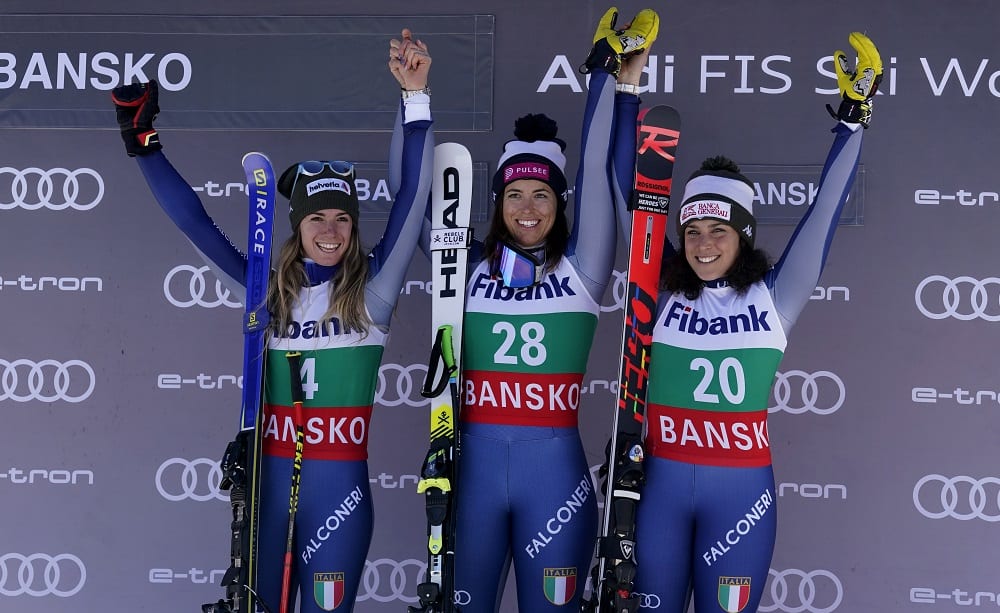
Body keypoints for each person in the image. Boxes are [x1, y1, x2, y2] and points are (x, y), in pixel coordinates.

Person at [111, 29, 434, 613]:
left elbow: (413, 197)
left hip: (339, 495)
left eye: (342, 218)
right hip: (267, 485)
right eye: (317, 218)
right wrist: (144, 145)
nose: (331, 230)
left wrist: (415, 97)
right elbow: (198, 226)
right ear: (297, 223)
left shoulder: (373, 293)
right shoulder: (267, 291)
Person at [610, 32, 883, 612]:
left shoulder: (774, 298)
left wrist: (854, 119)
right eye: (692, 233)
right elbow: (629, 188)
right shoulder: (658, 291)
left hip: (742, 502)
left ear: (745, 238)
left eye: (720, 232)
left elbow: (823, 213)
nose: (704, 246)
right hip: (657, 491)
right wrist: (626, 88)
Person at [404, 8, 658, 612]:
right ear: (496, 203)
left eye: (541, 194)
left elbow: (597, 171)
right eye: (513, 194)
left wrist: (612, 79)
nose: (526, 207)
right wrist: (415, 101)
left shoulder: (580, 269)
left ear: (558, 202)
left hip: (557, 484)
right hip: (473, 477)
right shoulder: (462, 270)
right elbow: (412, 197)